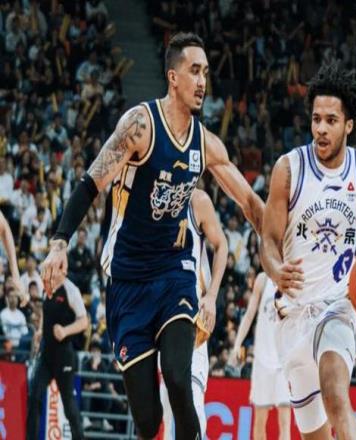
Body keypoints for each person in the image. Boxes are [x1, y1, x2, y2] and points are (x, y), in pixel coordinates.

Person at [41, 32, 264, 440]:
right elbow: (90, 183)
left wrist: (280, 249)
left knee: (178, 378)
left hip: (174, 273)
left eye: (206, 73)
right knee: (147, 421)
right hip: (126, 280)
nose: (202, 81)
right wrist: (60, 242)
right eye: (194, 71)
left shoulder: (205, 143)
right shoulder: (140, 126)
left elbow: (250, 203)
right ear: (172, 77)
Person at [261, 60, 356, 440]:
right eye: (316, 119)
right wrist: (275, 269)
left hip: (339, 305)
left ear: (348, 125)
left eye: (331, 121)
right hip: (292, 314)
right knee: (315, 435)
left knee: (337, 396)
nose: (321, 128)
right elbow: (268, 240)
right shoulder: (289, 169)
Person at [159, 188, 228, 439]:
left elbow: (221, 245)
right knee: (168, 411)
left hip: (193, 317)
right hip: (162, 319)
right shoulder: (152, 199)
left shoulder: (197, 200)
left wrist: (211, 295)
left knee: (194, 406)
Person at [228, 271, 291, 440]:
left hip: (284, 361)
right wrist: (237, 344)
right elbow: (249, 315)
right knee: (260, 421)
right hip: (262, 359)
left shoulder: (291, 277)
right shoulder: (263, 280)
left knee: (285, 421)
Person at [26, 275, 88, 439]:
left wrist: (65, 331)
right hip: (46, 354)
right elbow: (45, 313)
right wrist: (40, 330)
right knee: (34, 396)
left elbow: (84, 322)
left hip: (64, 355)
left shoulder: (71, 290)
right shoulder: (46, 286)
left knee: (68, 404)